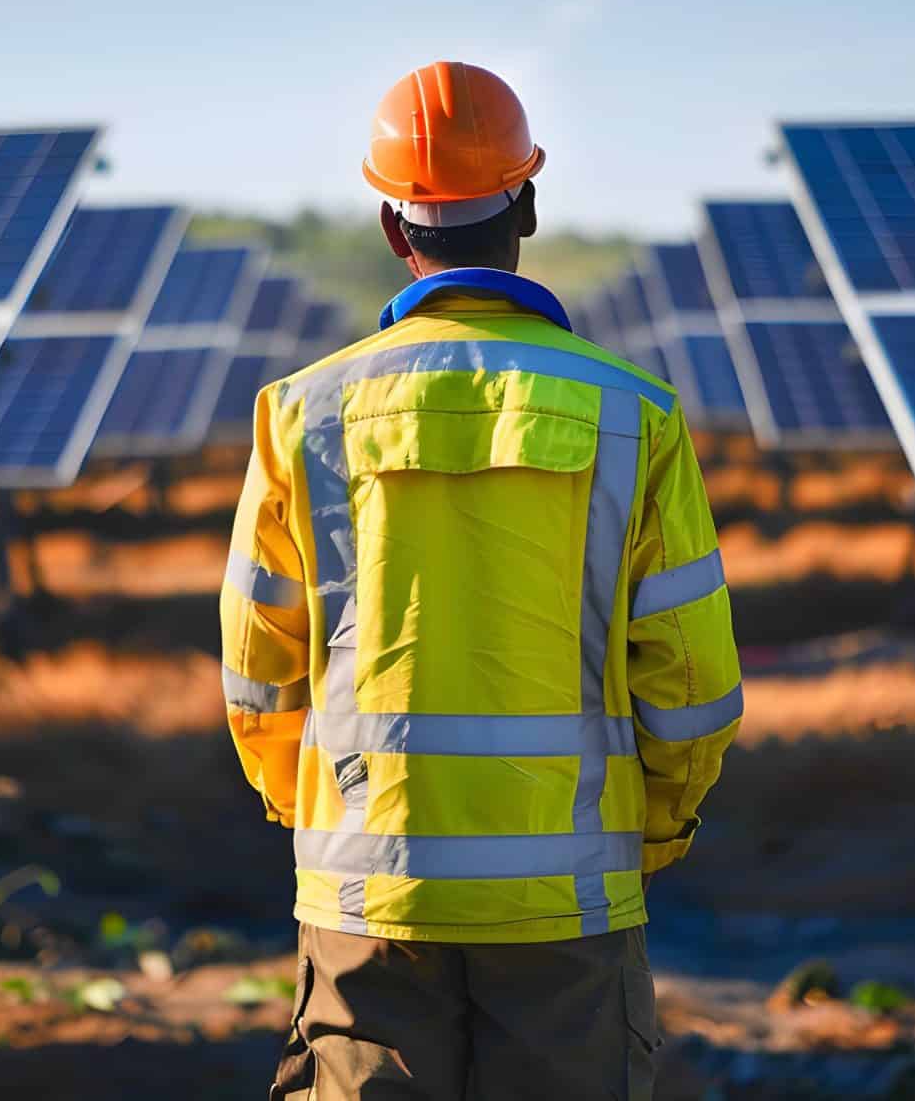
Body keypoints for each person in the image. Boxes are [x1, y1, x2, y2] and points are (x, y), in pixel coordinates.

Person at [220, 61, 742, 1100]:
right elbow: (689, 678)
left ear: (388, 224)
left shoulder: (300, 411)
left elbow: (256, 667)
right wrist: (657, 825)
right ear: (530, 204)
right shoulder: (629, 412)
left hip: (367, 893)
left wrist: (315, 807)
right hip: (567, 903)